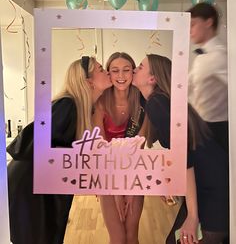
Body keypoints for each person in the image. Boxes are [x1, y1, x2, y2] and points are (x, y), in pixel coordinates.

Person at [7, 56, 112, 244]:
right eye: (100, 69)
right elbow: (39, 147)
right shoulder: (67, 105)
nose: (106, 71)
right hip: (28, 184)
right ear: (88, 81)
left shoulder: (83, 108)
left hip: (39, 183)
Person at [132, 54, 229, 244]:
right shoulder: (157, 101)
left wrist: (193, 216)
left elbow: (184, 156)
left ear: (153, 78)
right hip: (212, 182)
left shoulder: (157, 102)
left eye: (140, 66)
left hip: (212, 190)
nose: (135, 68)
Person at [93, 52, 145, 244]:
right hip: (107, 173)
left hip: (134, 171)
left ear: (133, 72)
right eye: (115, 71)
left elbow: (141, 143)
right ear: (108, 73)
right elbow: (101, 146)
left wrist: (130, 189)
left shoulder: (142, 100)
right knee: (117, 237)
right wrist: (115, 190)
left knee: (131, 236)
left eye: (126, 70)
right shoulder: (100, 101)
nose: (121, 75)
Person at [188, 2, 228, 154]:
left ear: (208, 22)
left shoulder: (220, 56)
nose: (189, 30)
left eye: (192, 24)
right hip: (200, 128)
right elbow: (189, 86)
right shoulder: (202, 57)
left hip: (216, 131)